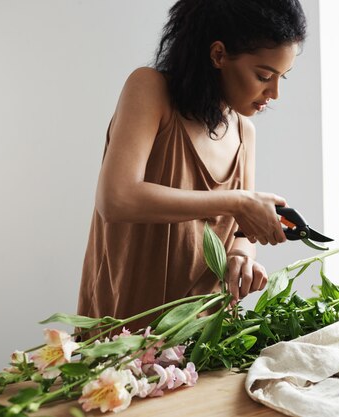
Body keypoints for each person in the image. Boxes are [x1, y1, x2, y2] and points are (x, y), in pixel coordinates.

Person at [77, 0, 307, 333]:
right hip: (124, 332)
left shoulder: (245, 133)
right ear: (218, 55)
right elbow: (116, 199)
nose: (274, 93)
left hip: (204, 338)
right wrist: (239, 202)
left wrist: (241, 256)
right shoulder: (149, 90)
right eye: (263, 76)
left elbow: (241, 232)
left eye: (281, 77)